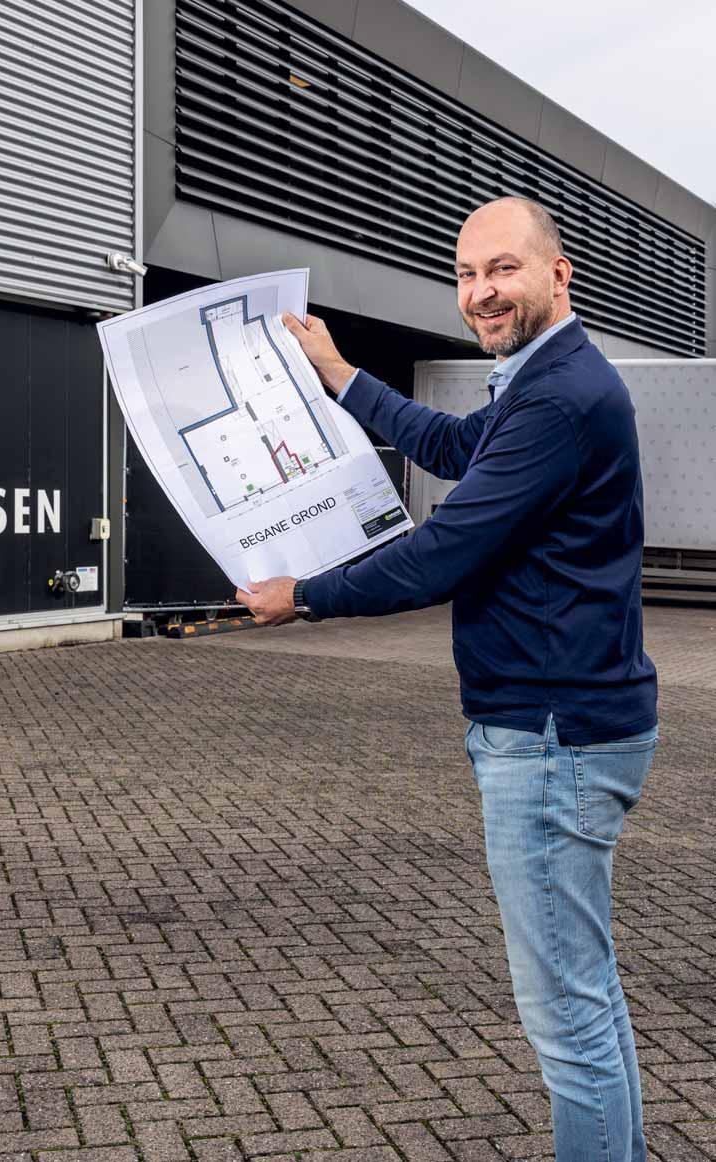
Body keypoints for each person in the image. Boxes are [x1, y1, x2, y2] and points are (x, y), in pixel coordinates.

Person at [237, 196, 658, 1162]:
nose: (479, 292)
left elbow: (441, 553)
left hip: (550, 735)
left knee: (567, 1020)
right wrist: (340, 374)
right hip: (570, 723)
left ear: (558, 274)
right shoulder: (542, 382)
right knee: (587, 998)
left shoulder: (557, 397)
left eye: (502, 269)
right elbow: (449, 446)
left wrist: (303, 594)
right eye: (466, 275)